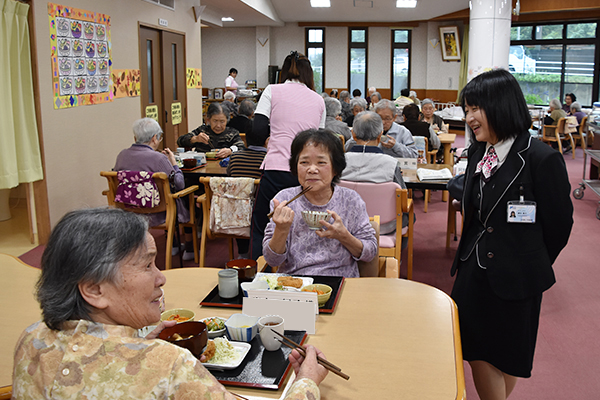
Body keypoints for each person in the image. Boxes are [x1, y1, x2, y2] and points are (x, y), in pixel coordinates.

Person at [12, 208, 328, 399]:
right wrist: (306, 383)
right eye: (147, 265)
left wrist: (136, 342)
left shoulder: (30, 340)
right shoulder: (168, 364)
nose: (161, 278)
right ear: (94, 289)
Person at [451, 69, 573, 400]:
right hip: (473, 269)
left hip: (517, 274)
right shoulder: (479, 152)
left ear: (501, 106)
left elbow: (559, 226)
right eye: (467, 109)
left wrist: (528, 259)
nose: (469, 117)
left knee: (507, 357)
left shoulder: (540, 159)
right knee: (476, 350)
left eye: (475, 108)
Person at [263, 129, 377, 278]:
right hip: (296, 284)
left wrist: (344, 236)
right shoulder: (284, 199)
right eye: (304, 162)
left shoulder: (351, 200)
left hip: (341, 283)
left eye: (321, 162)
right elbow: (272, 260)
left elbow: (370, 253)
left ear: (335, 168)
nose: (312, 169)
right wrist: (281, 230)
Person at [250, 51, 326, 260]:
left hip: (276, 169)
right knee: (302, 223)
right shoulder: (319, 100)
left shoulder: (272, 90)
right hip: (305, 172)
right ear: (309, 74)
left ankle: (257, 271)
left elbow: (256, 130)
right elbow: (320, 140)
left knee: (262, 223)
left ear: (283, 71)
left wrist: (272, 137)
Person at [114, 118, 193, 260]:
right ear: (154, 138)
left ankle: (174, 245)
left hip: (128, 209)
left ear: (135, 138)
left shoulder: (122, 155)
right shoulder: (158, 159)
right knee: (183, 197)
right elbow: (179, 184)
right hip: (158, 212)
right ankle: (188, 248)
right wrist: (173, 163)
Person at [341, 111, 408, 235]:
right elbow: (403, 199)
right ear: (380, 136)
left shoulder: (339, 162)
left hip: (344, 224)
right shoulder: (391, 163)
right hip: (382, 226)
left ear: (353, 135)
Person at [346, 99, 418, 158]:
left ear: (394, 118)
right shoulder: (367, 127)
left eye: (387, 119)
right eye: (379, 118)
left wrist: (396, 146)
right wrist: (356, 139)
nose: (383, 122)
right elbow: (346, 148)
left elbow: (414, 155)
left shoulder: (402, 131)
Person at [177, 102, 244, 159]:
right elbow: (180, 141)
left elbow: (241, 147)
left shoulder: (232, 133)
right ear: (208, 120)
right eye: (215, 121)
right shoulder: (202, 130)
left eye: (222, 121)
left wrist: (230, 150)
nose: (218, 125)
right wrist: (195, 139)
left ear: (227, 121)